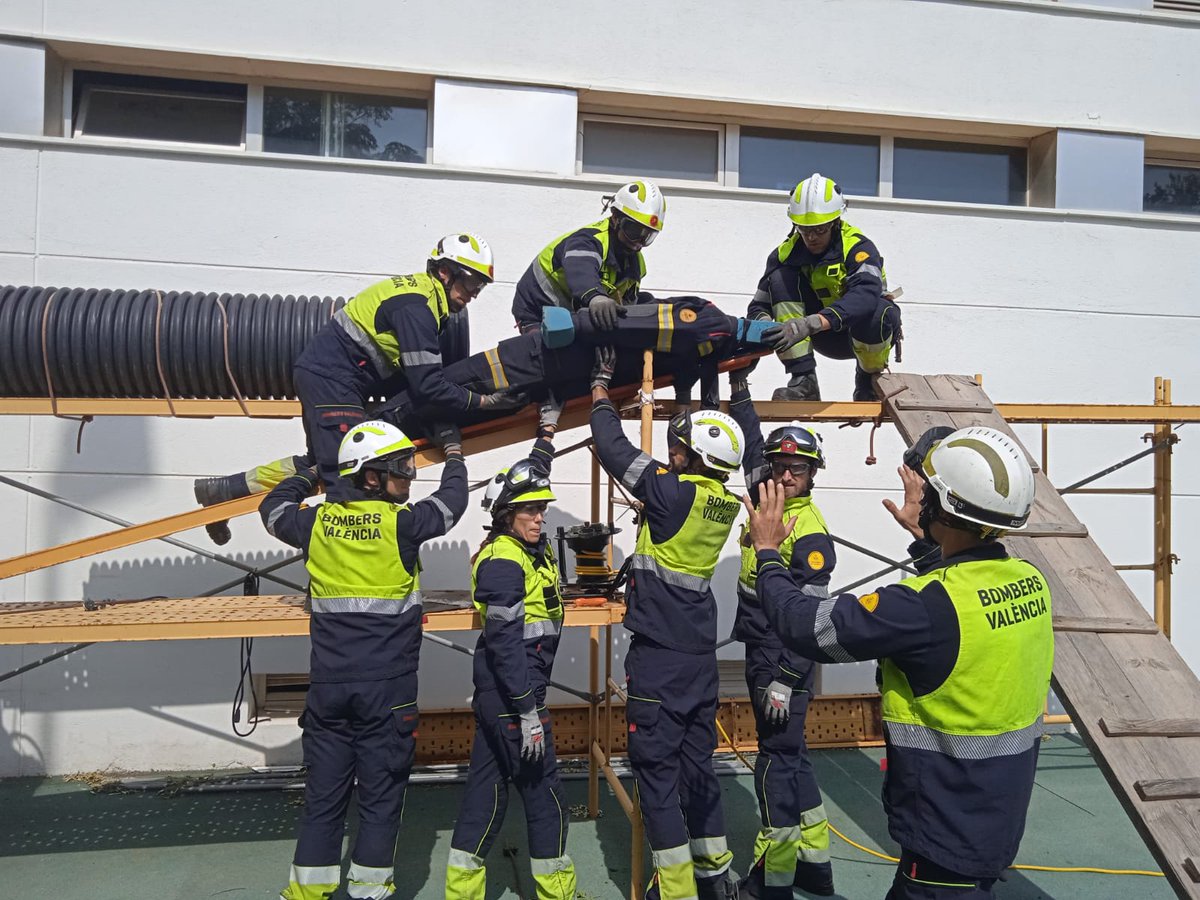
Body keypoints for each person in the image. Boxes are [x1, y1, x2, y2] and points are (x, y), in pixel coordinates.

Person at [742, 426, 1053, 899]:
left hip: (942, 825)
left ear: (941, 505)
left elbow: (805, 626)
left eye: (927, 491)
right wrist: (927, 539)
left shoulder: (922, 605)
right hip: (994, 816)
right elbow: (958, 602)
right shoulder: (1029, 581)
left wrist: (767, 551)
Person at [195, 233, 524, 542]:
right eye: (471, 281)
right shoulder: (418, 308)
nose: (474, 293)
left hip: (330, 377)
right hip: (334, 380)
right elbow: (427, 384)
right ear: (444, 272)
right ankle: (338, 559)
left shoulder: (424, 300)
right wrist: (483, 402)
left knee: (320, 462)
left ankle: (227, 490)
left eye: (480, 286)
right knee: (350, 479)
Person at [261, 419, 468, 900]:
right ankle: (369, 892)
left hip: (328, 689)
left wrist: (308, 475)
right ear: (371, 477)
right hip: (386, 691)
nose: (409, 478)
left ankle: (307, 893)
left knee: (323, 799)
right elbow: (452, 502)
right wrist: (454, 451)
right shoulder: (402, 525)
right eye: (401, 469)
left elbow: (272, 509)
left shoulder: (315, 524)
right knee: (380, 799)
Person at [589, 346, 744, 900]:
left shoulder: (670, 492)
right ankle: (715, 877)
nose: (670, 453)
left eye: (678, 448)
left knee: (656, 774)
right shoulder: (722, 501)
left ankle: (676, 890)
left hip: (659, 658)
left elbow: (612, 447)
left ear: (694, 458)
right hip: (699, 656)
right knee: (697, 769)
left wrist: (601, 389)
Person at [445, 425, 577, 900]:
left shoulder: (524, 552)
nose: (539, 517)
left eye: (541, 508)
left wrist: (547, 434)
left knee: (484, 795)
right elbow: (504, 644)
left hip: (500, 696)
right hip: (514, 697)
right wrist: (527, 711)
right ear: (506, 514)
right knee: (546, 798)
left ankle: (462, 892)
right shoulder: (504, 561)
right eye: (529, 510)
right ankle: (557, 893)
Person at [727, 365, 835, 898]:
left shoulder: (808, 531)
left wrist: (786, 679)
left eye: (798, 468)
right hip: (762, 647)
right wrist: (739, 390)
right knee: (793, 755)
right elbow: (751, 445)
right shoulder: (768, 500)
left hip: (781, 658)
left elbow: (812, 621)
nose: (787, 474)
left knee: (774, 762)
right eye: (781, 465)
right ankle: (815, 866)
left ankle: (771, 882)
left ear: (812, 474)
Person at [747, 173, 901, 402]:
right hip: (821, 338)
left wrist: (814, 322)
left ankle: (868, 380)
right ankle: (804, 381)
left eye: (820, 230)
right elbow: (758, 305)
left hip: (861, 331)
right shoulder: (784, 255)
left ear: (834, 223)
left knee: (880, 311)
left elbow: (865, 296)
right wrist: (764, 327)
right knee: (780, 279)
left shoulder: (858, 248)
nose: (811, 237)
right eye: (804, 229)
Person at [511, 180, 666, 333]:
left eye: (648, 236)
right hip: (536, 310)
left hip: (570, 314)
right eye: (634, 231)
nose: (638, 242)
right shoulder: (587, 241)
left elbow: (626, 303)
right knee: (551, 345)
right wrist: (596, 297)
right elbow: (581, 271)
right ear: (615, 218)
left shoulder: (636, 264)